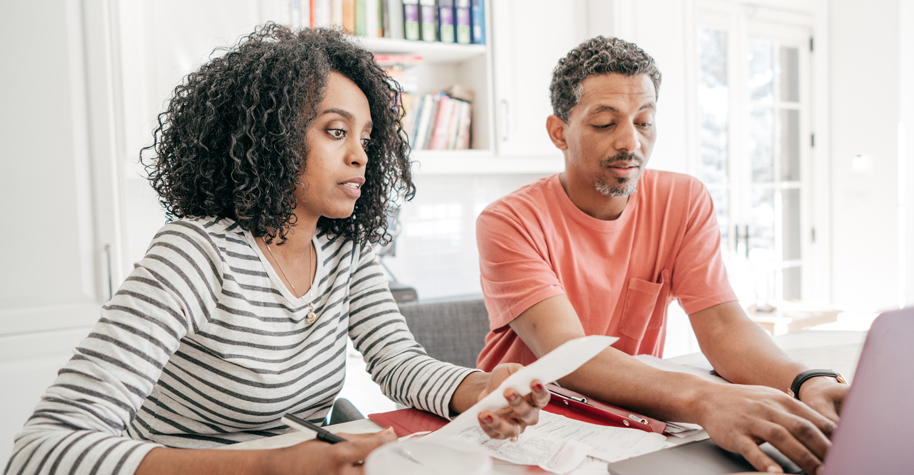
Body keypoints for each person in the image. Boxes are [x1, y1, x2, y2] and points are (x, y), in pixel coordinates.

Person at [5, 24, 549, 475]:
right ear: (269, 136)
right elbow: (44, 447)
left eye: (366, 138)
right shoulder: (195, 254)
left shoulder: (345, 251)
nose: (361, 156)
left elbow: (397, 361)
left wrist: (480, 389)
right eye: (336, 132)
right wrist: (275, 465)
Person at [475, 36, 848, 475]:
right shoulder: (508, 221)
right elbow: (568, 353)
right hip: (526, 428)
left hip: (633, 419)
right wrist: (706, 398)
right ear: (560, 132)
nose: (630, 142)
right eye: (604, 124)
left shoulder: (683, 199)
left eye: (644, 121)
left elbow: (723, 326)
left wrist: (806, 381)